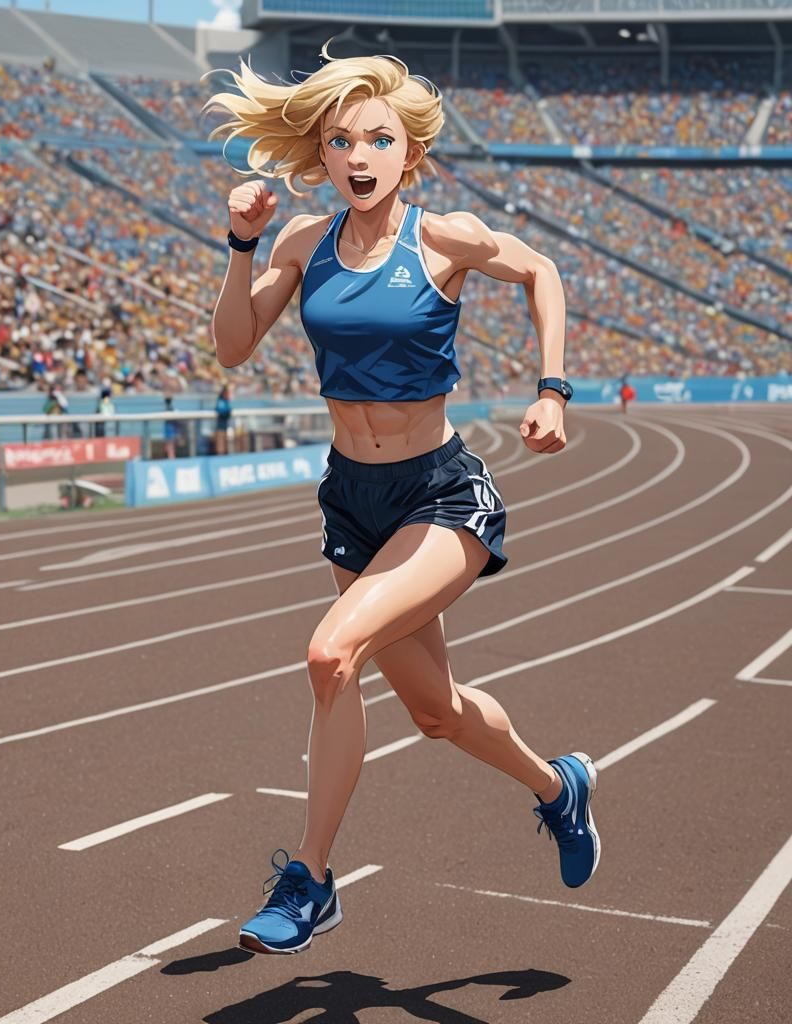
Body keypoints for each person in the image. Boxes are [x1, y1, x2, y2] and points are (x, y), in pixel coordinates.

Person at [207, 47, 599, 956]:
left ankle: (308, 879)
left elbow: (541, 270)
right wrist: (240, 246)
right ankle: (558, 788)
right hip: (354, 501)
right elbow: (232, 348)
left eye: (378, 138)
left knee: (330, 653)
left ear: (408, 153)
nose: (358, 155)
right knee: (435, 712)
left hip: (439, 494)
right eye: (341, 139)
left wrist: (553, 390)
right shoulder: (304, 242)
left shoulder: (443, 237)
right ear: (323, 151)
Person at [214, 383, 233, 454]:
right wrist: (228, 410)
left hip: (227, 426)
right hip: (220, 426)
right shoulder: (221, 401)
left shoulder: (227, 401)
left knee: (226, 444)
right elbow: (220, 409)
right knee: (220, 444)